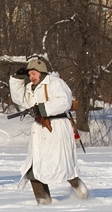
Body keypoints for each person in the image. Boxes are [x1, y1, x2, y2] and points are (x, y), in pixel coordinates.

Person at [9, 57, 87, 204]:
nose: (31, 77)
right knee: (34, 168)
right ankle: (43, 201)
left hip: (57, 128)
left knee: (62, 164)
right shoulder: (30, 88)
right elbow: (21, 101)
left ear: (41, 72)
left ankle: (80, 189)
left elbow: (64, 101)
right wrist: (17, 80)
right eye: (29, 74)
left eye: (33, 73)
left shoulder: (55, 83)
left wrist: (42, 108)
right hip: (39, 130)